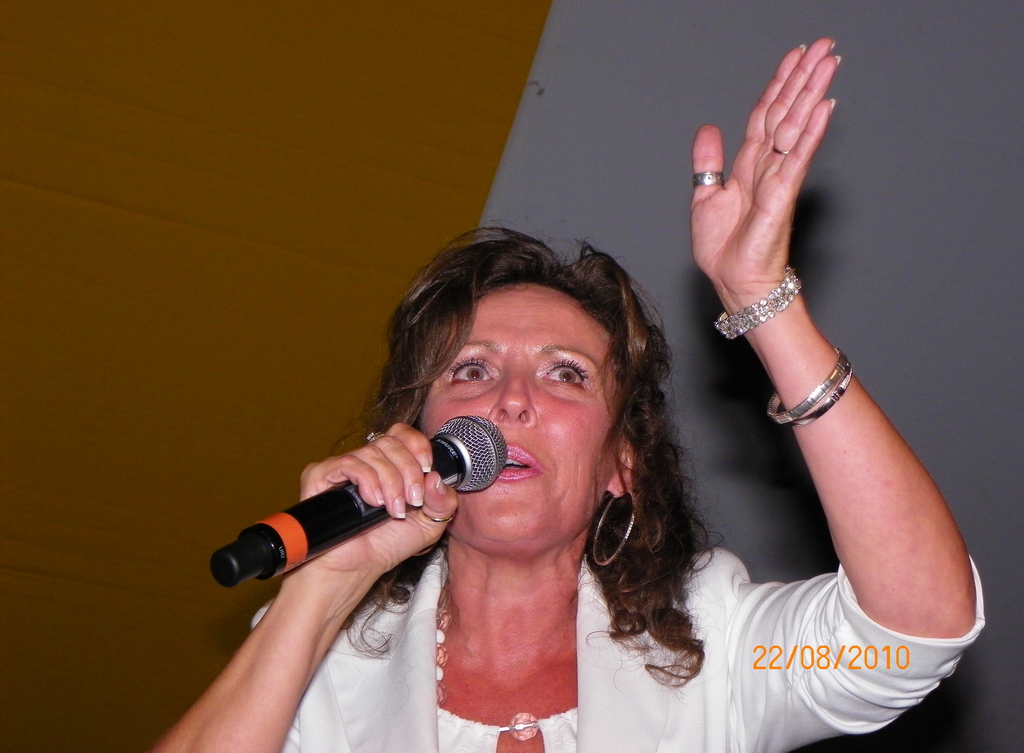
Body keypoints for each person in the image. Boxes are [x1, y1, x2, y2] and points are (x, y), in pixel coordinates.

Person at [151, 38, 982, 753]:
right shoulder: (320, 657)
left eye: (565, 374)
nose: (510, 401)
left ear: (623, 464)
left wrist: (762, 300)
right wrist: (321, 589)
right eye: (470, 370)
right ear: (415, 436)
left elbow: (916, 629)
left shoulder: (718, 645)